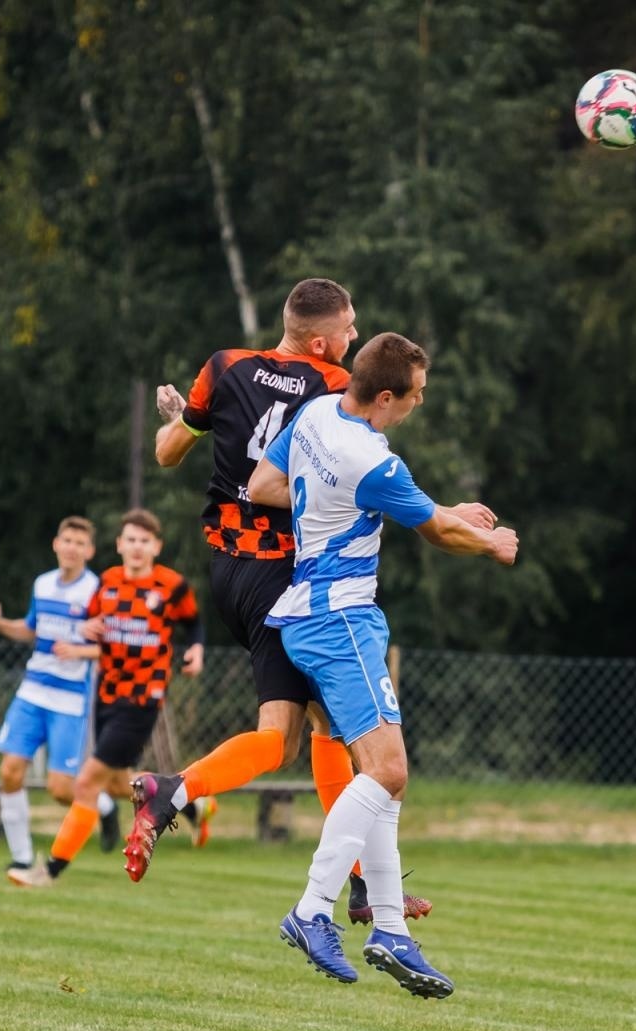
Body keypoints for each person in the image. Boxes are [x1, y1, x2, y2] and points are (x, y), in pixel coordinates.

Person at [123, 278, 429, 924]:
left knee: (327, 726)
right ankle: (170, 790)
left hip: (229, 572)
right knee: (283, 737)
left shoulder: (225, 367)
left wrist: (180, 416)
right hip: (281, 579)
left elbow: (168, 452)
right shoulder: (332, 394)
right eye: (349, 330)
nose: (354, 339)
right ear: (322, 342)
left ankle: (365, 886)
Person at [248, 332, 517, 997]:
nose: (419, 405)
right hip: (342, 621)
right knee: (391, 770)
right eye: (417, 395)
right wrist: (492, 543)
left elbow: (265, 484)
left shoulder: (315, 413)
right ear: (387, 396)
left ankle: (391, 928)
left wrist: (376, 502)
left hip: (307, 612)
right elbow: (438, 532)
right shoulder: (373, 459)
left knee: (382, 778)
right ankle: (312, 909)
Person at [8, 508, 204, 887]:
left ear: (156, 547)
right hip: (106, 694)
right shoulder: (109, 583)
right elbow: (91, 624)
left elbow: (193, 621)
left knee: (86, 783)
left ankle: (50, 870)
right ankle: (189, 800)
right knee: (117, 785)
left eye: (144, 541)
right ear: (118, 545)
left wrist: (195, 650)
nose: (136, 546)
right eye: (130, 539)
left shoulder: (171, 586)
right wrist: (87, 628)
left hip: (143, 698)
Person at [0, 516, 109, 879]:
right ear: (56, 544)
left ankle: (105, 804)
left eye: (80, 543)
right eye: (67, 540)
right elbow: (31, 630)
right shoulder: (43, 584)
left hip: (70, 699)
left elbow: (115, 647)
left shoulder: (97, 590)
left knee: (60, 788)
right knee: (9, 771)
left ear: (90, 551)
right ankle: (21, 857)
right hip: (33, 690)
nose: (72, 548)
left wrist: (81, 652)